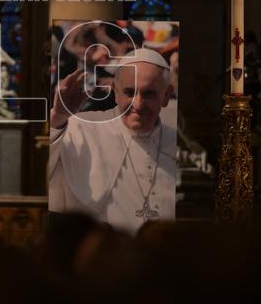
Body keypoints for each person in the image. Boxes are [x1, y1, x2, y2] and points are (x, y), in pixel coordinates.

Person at [48, 47, 177, 234]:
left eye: (148, 94)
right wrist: (57, 118)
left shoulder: (176, 140)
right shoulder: (81, 129)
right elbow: (40, 175)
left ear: (166, 95)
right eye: (129, 92)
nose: (138, 104)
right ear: (115, 92)